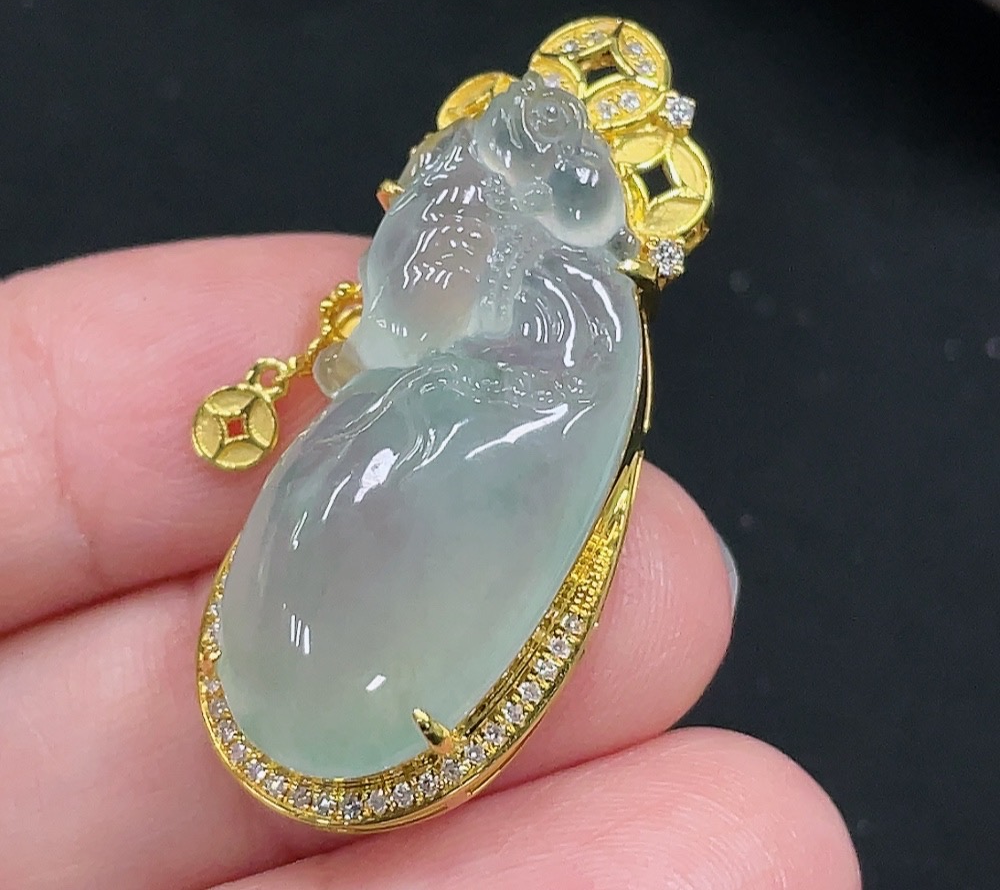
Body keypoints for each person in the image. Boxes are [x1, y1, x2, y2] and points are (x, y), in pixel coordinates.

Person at [0, 233, 861, 889]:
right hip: (378, 530)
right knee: (343, 485)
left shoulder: (566, 343)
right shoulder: (484, 337)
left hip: (470, 461)